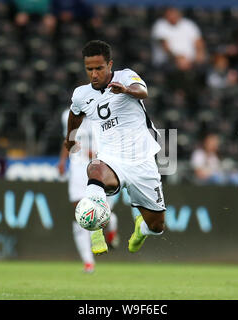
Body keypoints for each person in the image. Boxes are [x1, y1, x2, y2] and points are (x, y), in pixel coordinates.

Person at [64, 40, 166, 256]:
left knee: (157, 226)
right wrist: (70, 140)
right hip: (112, 159)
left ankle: (142, 229)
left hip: (142, 160)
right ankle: (95, 226)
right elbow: (75, 115)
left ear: (109, 65)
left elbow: (143, 91)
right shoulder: (81, 95)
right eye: (89, 69)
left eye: (99, 68)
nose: (94, 74)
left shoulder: (126, 76)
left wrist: (126, 90)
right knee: (95, 169)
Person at [58, 107, 119, 273]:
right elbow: (68, 139)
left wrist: (100, 153)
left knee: (99, 210)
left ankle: (111, 222)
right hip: (77, 168)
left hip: (98, 167)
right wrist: (62, 161)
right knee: (78, 215)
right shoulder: (68, 116)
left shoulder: (103, 114)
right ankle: (88, 262)